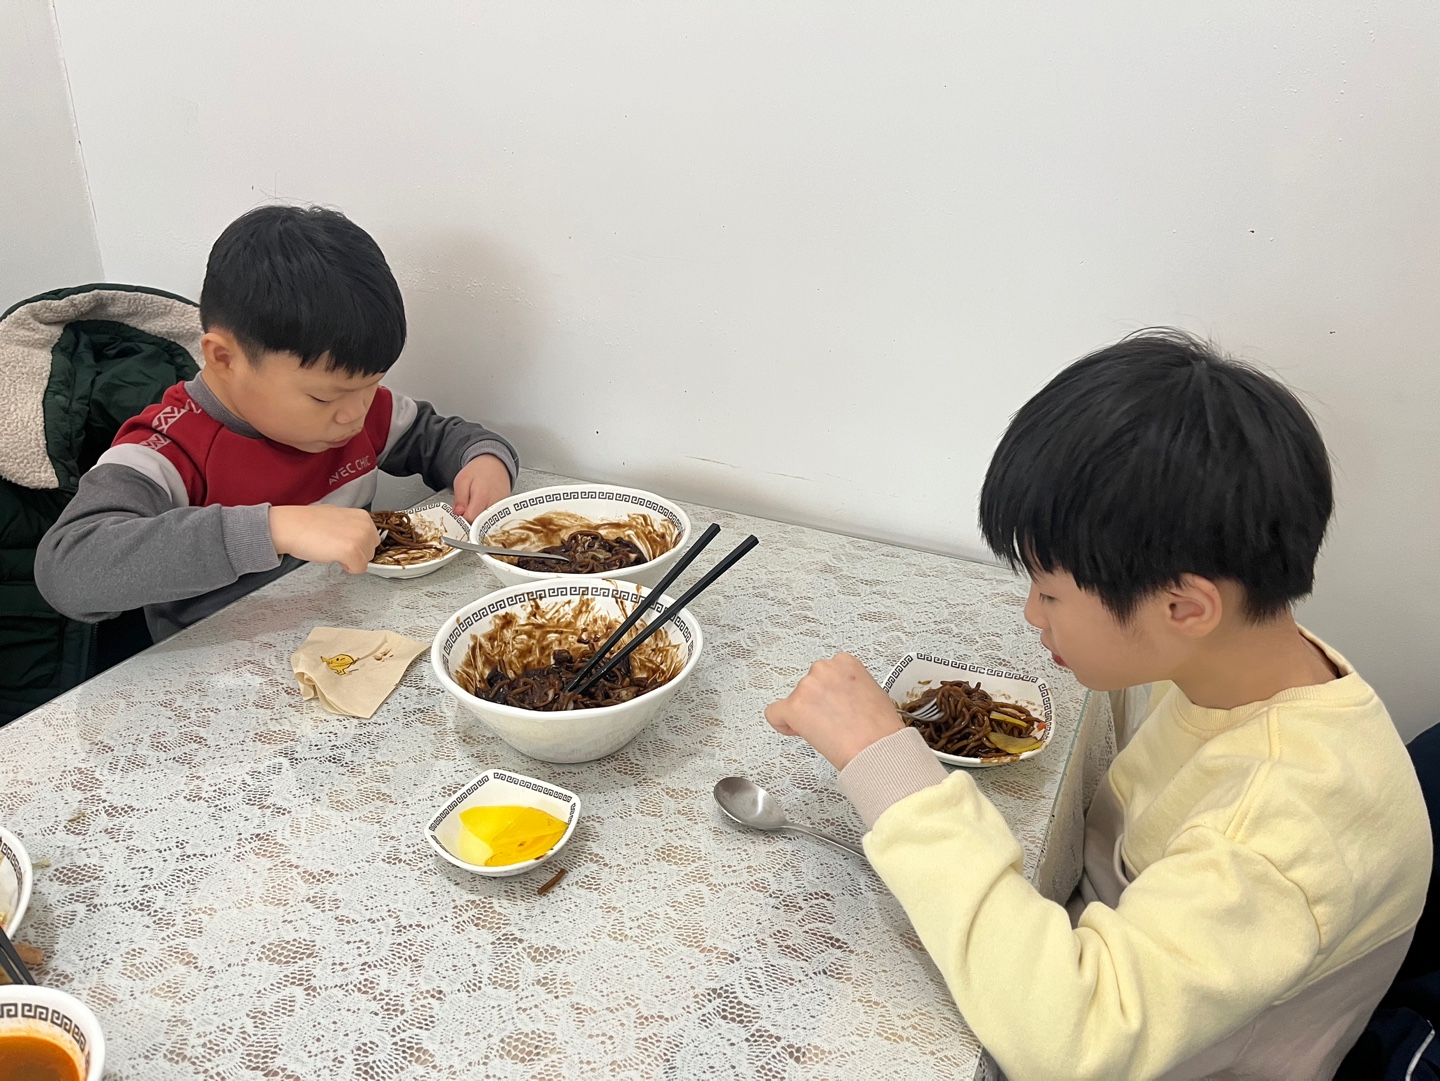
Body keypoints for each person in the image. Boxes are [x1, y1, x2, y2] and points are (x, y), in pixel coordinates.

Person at [764, 330, 1430, 1080]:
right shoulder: (1242, 666)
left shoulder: (1280, 828)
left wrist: (883, 764)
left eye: (1050, 592)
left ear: (1184, 607)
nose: (1032, 614)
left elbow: (1071, 1043)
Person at [36, 205, 519, 642]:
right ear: (224, 359)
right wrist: (270, 529)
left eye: (371, 385)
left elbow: (439, 437)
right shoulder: (168, 446)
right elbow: (68, 570)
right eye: (323, 396)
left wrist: (483, 460)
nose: (355, 413)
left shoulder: (358, 410)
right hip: (217, 672)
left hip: (347, 636)